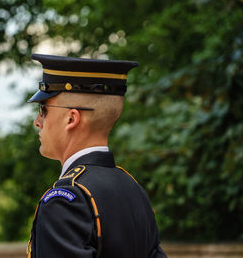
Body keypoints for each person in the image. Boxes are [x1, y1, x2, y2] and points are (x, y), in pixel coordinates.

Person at [26, 54, 167, 258]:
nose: (37, 121)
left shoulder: (65, 201)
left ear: (71, 118)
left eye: (43, 110)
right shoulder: (133, 189)